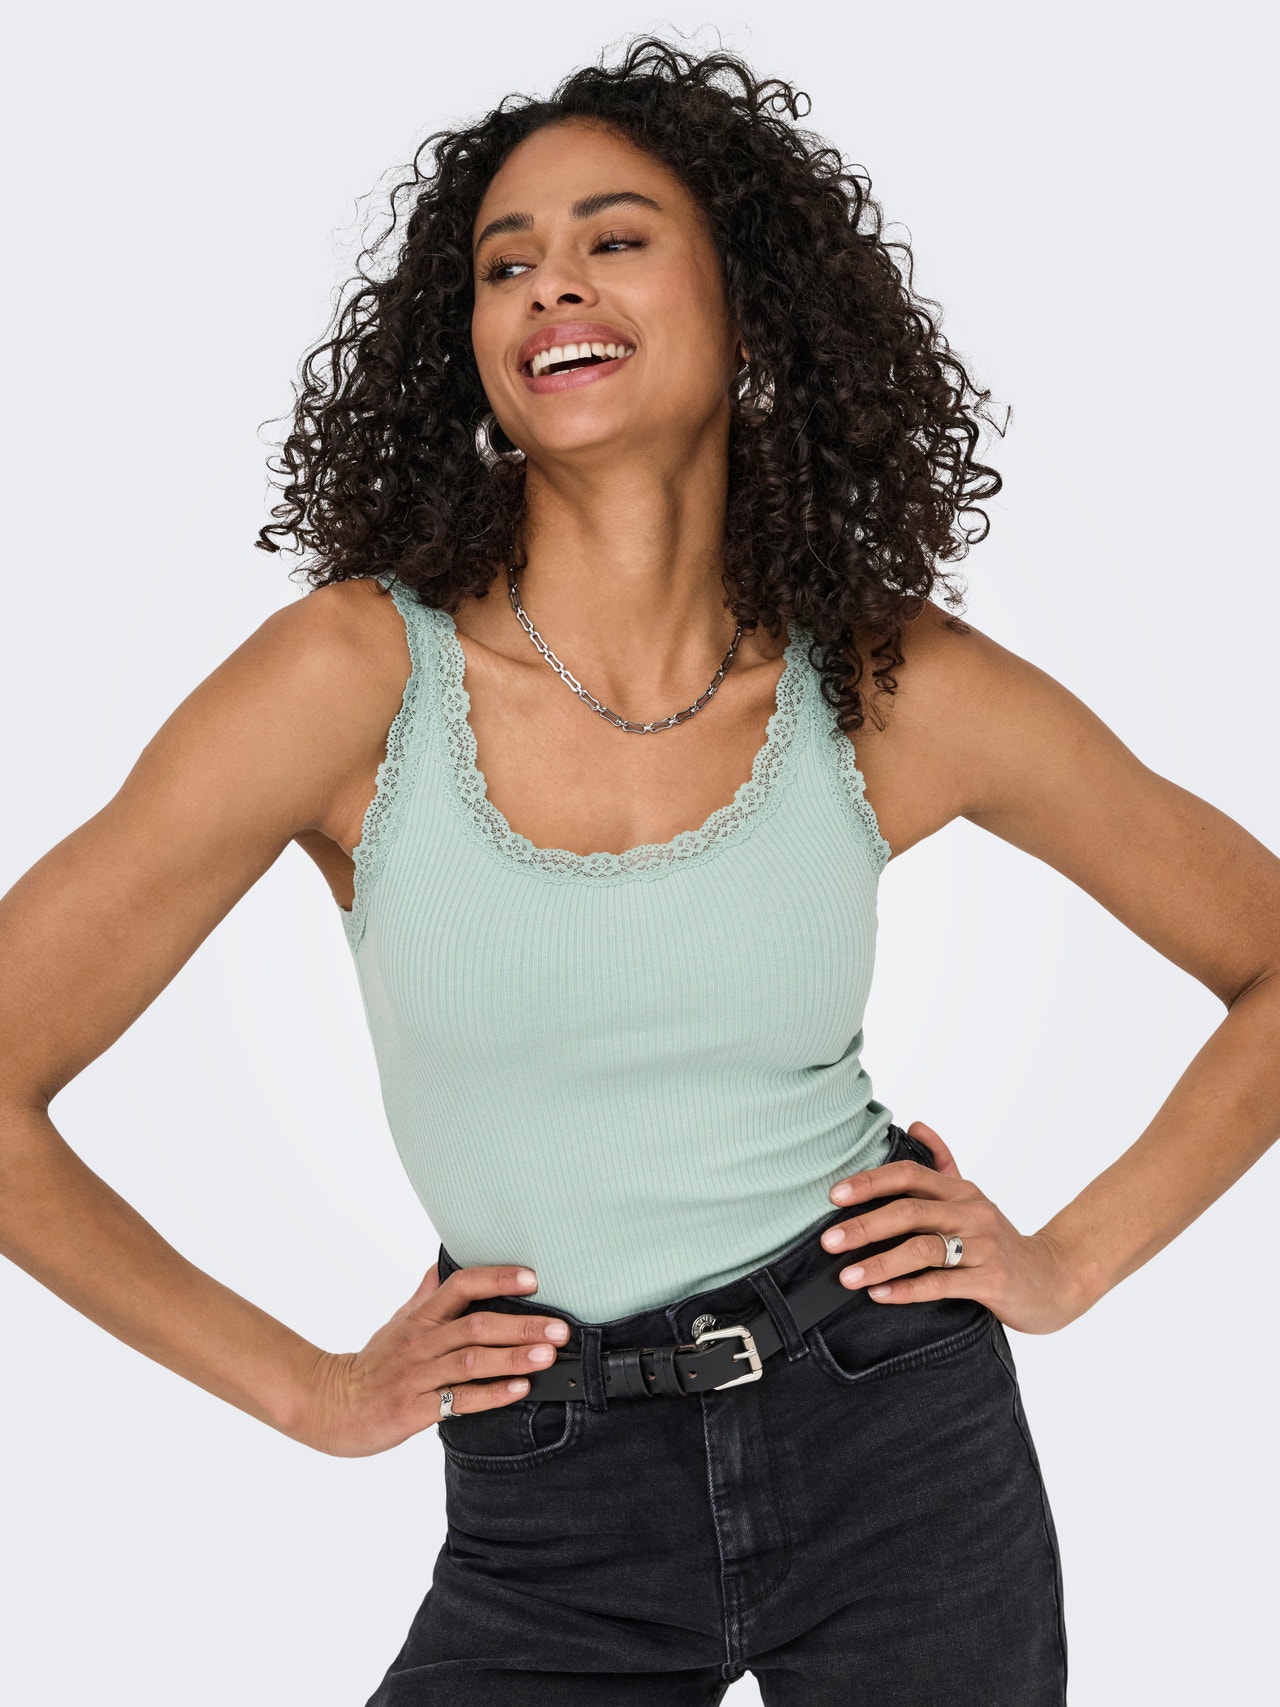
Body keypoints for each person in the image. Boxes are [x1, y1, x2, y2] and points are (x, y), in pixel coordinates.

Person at [1, 36, 1276, 1706]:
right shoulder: (349, 682)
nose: (550, 286)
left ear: (749, 310)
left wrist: (1070, 1263)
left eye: (614, 238)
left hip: (892, 1431)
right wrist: (311, 1390)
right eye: (504, 263)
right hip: (552, 1491)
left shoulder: (886, 686)